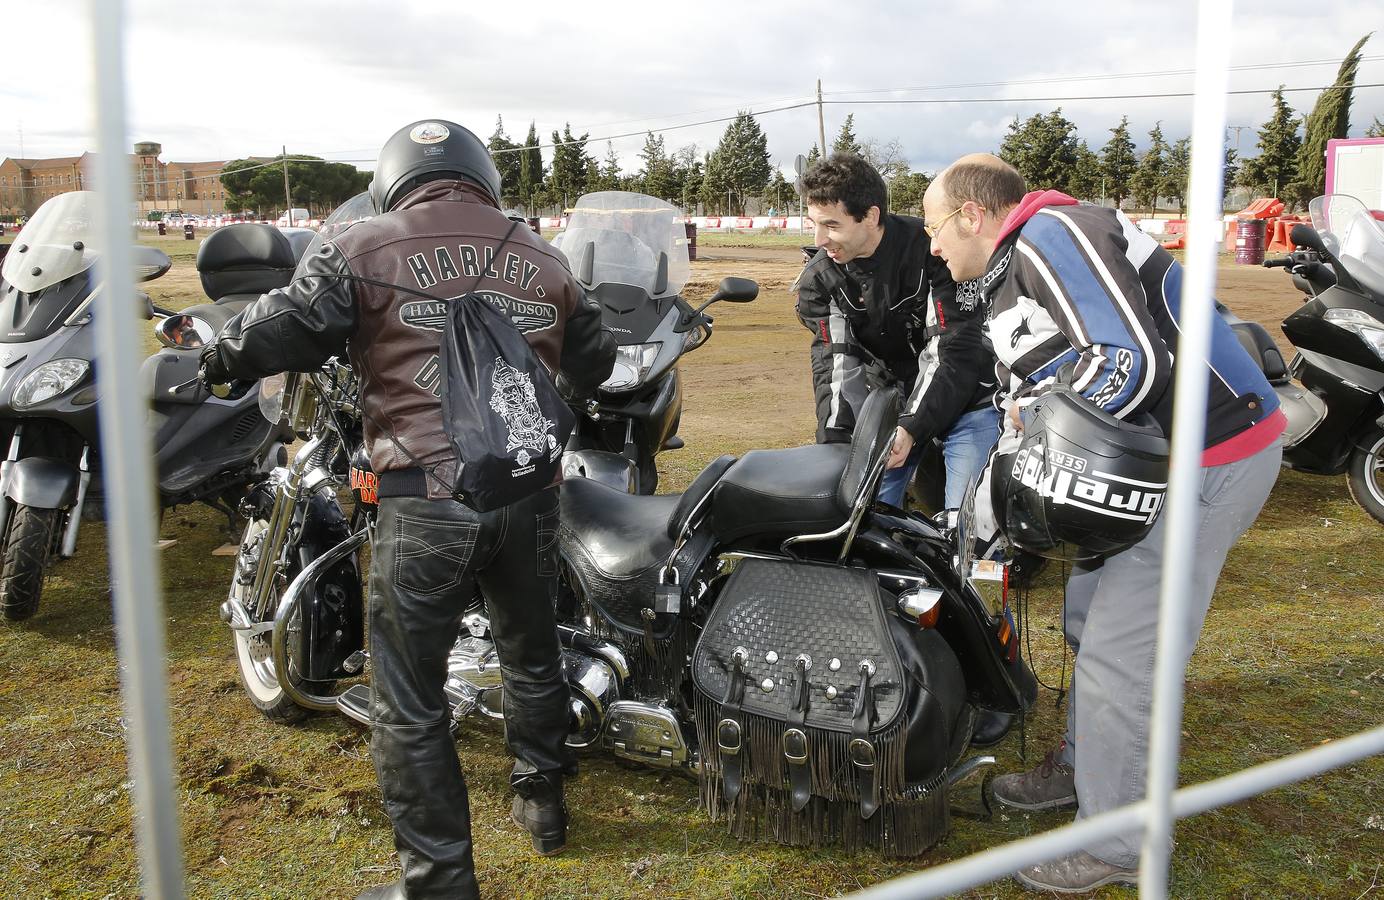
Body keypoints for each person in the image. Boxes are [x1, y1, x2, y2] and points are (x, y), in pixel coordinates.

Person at [200, 119, 616, 900]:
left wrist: (219, 354)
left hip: (420, 499)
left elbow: (284, 327)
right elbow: (593, 359)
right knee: (531, 653)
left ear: (395, 177)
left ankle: (437, 883)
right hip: (528, 492)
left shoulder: (362, 244)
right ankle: (544, 802)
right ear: (481, 175)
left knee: (409, 698)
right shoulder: (542, 251)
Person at [923, 154, 1284, 893]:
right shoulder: (1013, 266)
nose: (932, 246)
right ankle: (1090, 768)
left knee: (1126, 655)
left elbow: (1125, 361)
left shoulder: (1053, 230)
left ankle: (1118, 845)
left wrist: (1023, 459)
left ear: (971, 214)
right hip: (1152, 463)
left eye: (934, 229)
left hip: (1203, 457)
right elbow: (1040, 387)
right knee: (1088, 619)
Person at [795, 153, 999, 512]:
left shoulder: (937, 251)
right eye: (813, 223)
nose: (819, 238)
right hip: (891, 400)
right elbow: (837, 362)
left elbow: (953, 345)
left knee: (968, 521)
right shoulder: (821, 278)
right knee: (861, 512)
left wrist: (913, 426)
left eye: (831, 225)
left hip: (969, 397)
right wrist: (837, 445)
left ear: (871, 216)